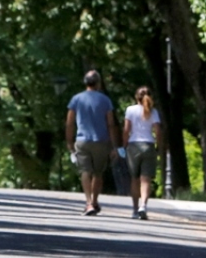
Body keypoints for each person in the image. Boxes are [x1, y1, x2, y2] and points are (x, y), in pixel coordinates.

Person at [65, 70, 120, 216]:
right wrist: (114, 146)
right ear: (98, 83)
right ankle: (94, 201)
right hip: (101, 141)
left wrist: (69, 141)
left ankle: (88, 203)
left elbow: (69, 123)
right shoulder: (105, 100)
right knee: (98, 173)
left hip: (82, 140)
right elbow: (111, 124)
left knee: (85, 171)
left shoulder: (76, 99)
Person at [121, 86, 163, 220]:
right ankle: (143, 206)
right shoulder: (153, 112)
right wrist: (159, 147)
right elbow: (158, 131)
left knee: (134, 179)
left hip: (133, 145)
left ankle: (134, 209)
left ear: (136, 97)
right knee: (146, 179)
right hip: (148, 145)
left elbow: (126, 130)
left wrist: (123, 145)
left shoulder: (130, 110)